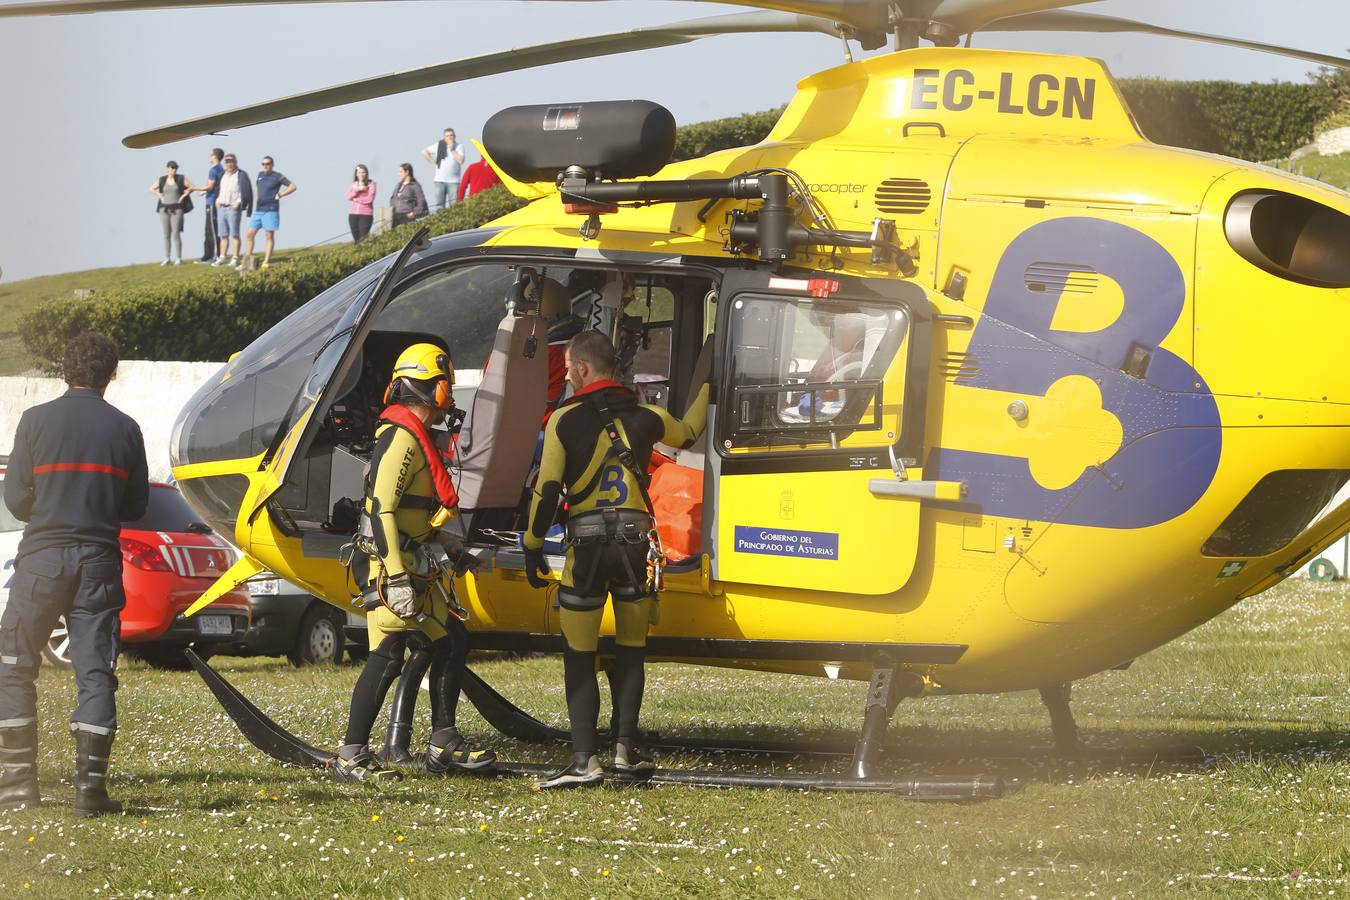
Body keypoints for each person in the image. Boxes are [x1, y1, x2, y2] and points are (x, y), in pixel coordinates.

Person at [523, 331, 709, 789]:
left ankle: (585, 760)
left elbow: (547, 490)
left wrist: (530, 546)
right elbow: (688, 432)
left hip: (586, 548)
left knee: (579, 655)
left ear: (583, 369)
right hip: (634, 546)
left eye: (568, 367)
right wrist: (713, 387)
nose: (566, 375)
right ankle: (625, 751)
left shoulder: (563, 419)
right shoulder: (647, 415)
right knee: (631, 652)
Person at [331, 343, 495, 783]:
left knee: (450, 642)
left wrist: (449, 547)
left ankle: (443, 743)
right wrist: (398, 576)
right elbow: (383, 509)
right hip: (390, 571)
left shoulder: (411, 437)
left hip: (415, 564)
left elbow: (415, 509)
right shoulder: (402, 438)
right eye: (447, 387)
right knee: (386, 655)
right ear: (435, 389)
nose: (450, 398)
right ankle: (351, 755)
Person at [0, 333, 149, 816]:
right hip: (98, 562)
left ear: (65, 370)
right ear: (111, 374)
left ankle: (19, 788)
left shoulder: (34, 421)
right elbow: (137, 505)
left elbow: (17, 499)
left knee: (14, 666)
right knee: (95, 673)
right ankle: (90, 792)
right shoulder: (126, 429)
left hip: (41, 559)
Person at [238, 156, 296, 271]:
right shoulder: (260, 175)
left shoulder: (277, 176)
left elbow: (292, 186)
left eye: (268, 164)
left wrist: (281, 194)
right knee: (250, 234)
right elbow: (257, 188)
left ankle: (266, 261)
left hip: (271, 209)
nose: (265, 166)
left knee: (269, 235)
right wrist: (256, 198)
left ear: (272, 164)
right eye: (263, 164)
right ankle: (247, 260)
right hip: (259, 210)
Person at [148, 161, 197, 266]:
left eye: (175, 168)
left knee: (176, 233)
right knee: (166, 234)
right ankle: (167, 258)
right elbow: (151, 188)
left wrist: (183, 196)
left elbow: (192, 187)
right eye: (172, 167)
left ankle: (178, 258)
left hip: (177, 209)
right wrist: (159, 196)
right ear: (167, 169)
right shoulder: (162, 179)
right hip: (164, 209)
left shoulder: (181, 178)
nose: (174, 170)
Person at [212, 153, 251, 267]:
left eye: (231, 161)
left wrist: (238, 203)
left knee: (235, 234)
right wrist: (217, 200)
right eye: (227, 161)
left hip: (233, 208)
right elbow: (218, 189)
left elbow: (245, 191)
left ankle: (235, 257)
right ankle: (222, 257)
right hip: (221, 207)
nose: (229, 164)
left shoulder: (241, 175)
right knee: (223, 235)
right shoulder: (222, 175)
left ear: (235, 162)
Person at [421, 127, 464, 211]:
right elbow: (424, 151)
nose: (449, 137)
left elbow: (461, 160)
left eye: (451, 135)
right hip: (439, 180)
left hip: (453, 181)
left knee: (454, 206)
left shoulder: (459, 146)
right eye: (447, 136)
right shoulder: (439, 145)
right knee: (440, 206)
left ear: (454, 136)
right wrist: (433, 162)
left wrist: (452, 150)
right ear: (444, 137)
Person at [194, 148, 224, 263]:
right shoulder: (220, 169)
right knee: (208, 230)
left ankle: (215, 256)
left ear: (215, 156)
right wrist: (203, 192)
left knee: (212, 230)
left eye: (211, 154)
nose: (210, 156)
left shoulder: (214, 169)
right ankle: (207, 255)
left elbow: (210, 186)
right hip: (211, 201)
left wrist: (194, 188)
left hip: (212, 203)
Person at [347, 164, 376, 243]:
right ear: (356, 173)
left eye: (363, 172)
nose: (361, 174)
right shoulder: (354, 184)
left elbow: (370, 199)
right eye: (359, 172)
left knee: (363, 239)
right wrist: (358, 190)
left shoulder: (371, 184)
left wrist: (357, 200)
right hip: (353, 214)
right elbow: (348, 196)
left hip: (366, 214)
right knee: (356, 240)